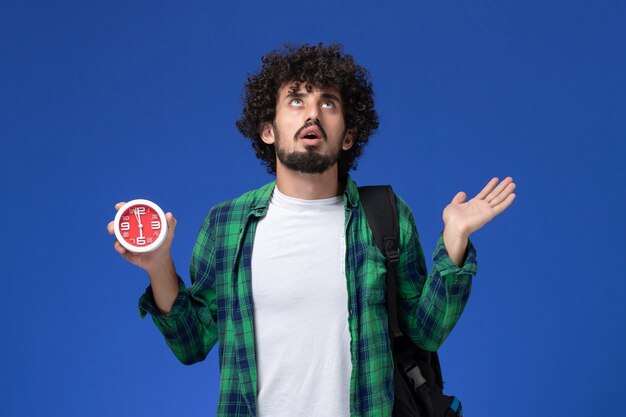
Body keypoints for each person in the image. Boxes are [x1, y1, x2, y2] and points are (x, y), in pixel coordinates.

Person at [108, 43, 516, 417]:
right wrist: (158, 263)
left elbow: (426, 333)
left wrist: (455, 239)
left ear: (348, 137)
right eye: (296, 100)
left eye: (328, 103)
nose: (312, 113)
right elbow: (191, 342)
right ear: (268, 130)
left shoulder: (385, 216)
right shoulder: (226, 225)